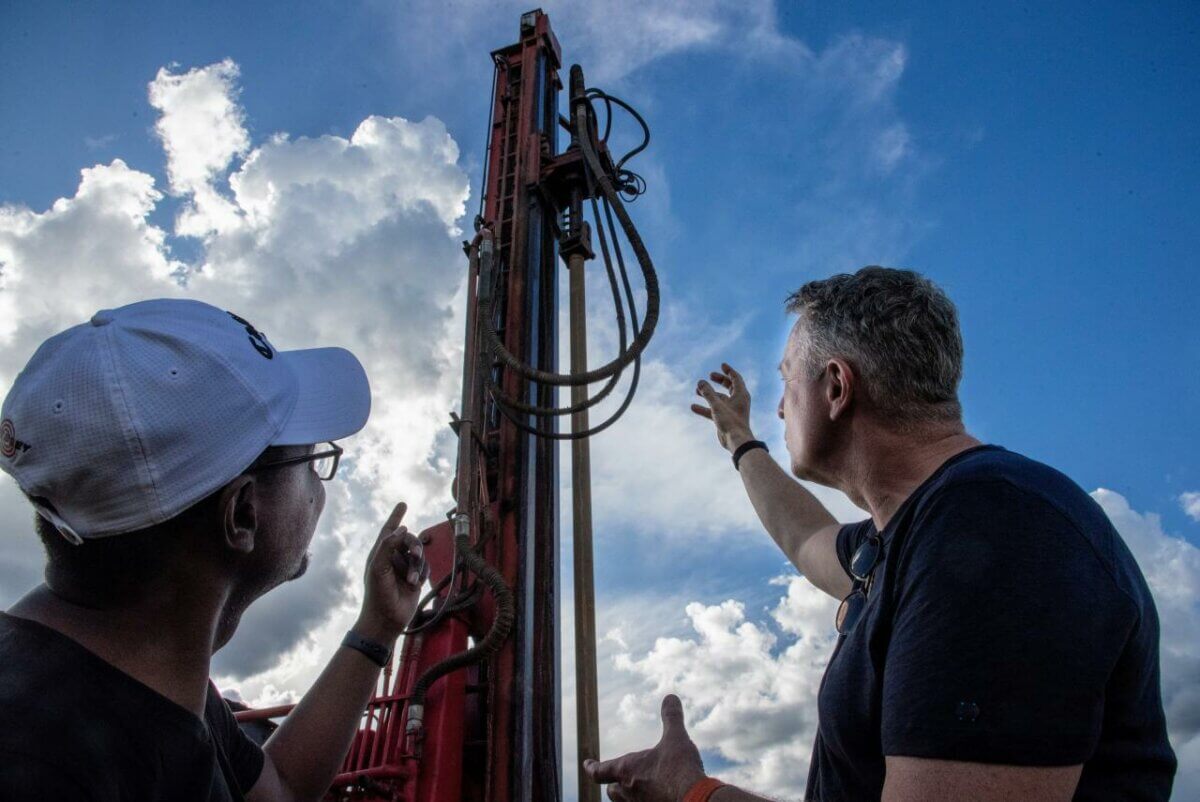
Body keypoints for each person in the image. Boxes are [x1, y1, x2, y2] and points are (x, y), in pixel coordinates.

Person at [584, 267, 1177, 801]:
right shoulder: (918, 533)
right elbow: (806, 537)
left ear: (837, 388)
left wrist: (693, 794)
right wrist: (739, 440)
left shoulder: (994, 532)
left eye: (787, 382)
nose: (781, 410)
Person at [0, 298, 429, 801]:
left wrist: (377, 626)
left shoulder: (148, 670)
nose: (320, 485)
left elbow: (281, 790)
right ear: (243, 513)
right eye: (313, 461)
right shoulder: (42, 772)